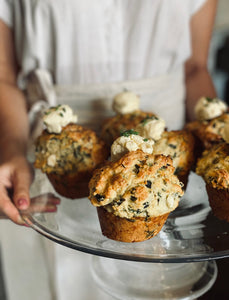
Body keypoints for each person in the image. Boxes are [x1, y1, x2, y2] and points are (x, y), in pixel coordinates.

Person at [0, 0, 218, 299]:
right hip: (40, 156)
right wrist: (10, 150)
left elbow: (195, 68)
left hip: (166, 162)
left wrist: (219, 137)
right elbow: (3, 76)